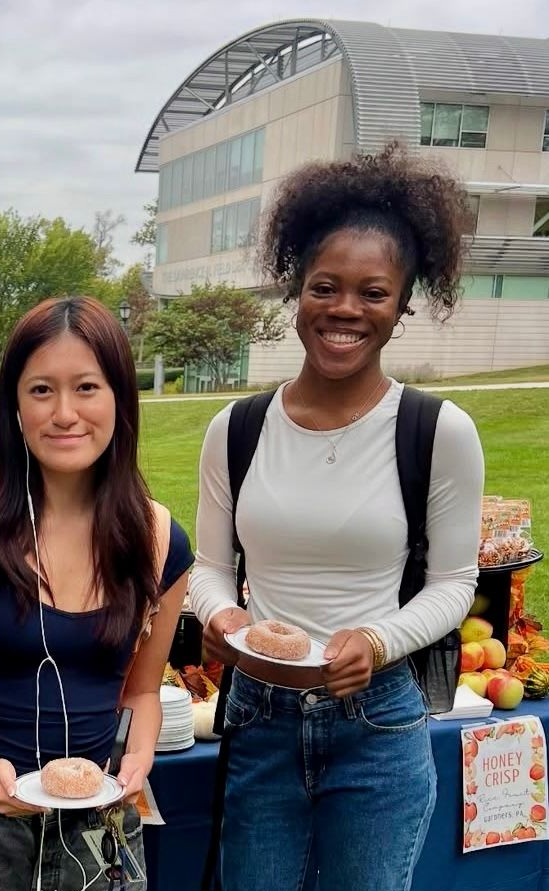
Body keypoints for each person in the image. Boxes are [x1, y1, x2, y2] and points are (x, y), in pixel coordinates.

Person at [189, 145, 485, 891]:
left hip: (378, 722)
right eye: (325, 286)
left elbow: (454, 582)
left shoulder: (436, 430)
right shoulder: (236, 428)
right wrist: (222, 621)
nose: (344, 309)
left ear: (403, 302)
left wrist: (377, 639)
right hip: (260, 712)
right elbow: (210, 568)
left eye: (373, 292)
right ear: (296, 290)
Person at [0, 296, 193, 890]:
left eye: (87, 387)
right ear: (14, 405)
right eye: (41, 391)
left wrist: (139, 757)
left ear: (119, 399)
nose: (65, 413)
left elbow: (142, 690)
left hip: (99, 824)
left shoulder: (159, 542)